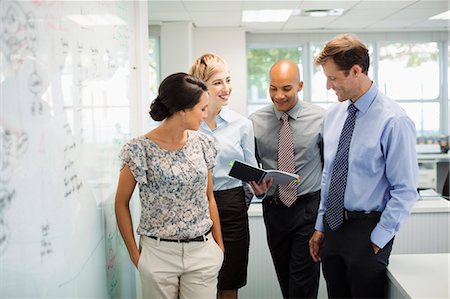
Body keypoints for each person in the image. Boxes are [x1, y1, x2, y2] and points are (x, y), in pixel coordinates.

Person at [309, 33, 419, 298]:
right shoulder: (334, 115)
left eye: (333, 78)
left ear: (356, 71)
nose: (328, 86)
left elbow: (404, 190)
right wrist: (320, 226)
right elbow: (329, 175)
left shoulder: (394, 121)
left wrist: (379, 238)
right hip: (333, 230)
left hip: (368, 231)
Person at [114, 72, 224, 299]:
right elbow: (121, 204)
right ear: (183, 109)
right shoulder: (139, 150)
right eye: (202, 109)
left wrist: (218, 247)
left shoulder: (204, 144)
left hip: (202, 252)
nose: (205, 115)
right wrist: (137, 257)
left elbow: (209, 197)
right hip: (158, 254)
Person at [249, 60, 325, 299]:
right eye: (273, 88)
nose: (278, 96)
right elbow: (252, 169)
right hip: (274, 210)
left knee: (303, 284)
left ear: (300, 85)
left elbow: (331, 169)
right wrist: (257, 188)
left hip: (308, 209)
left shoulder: (322, 118)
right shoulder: (254, 122)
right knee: (285, 279)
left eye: (286, 88)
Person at [189, 53, 258, 299]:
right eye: (218, 82)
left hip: (231, 208)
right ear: (201, 86)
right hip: (195, 208)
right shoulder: (189, 126)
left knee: (229, 281)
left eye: (228, 80)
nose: (226, 88)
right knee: (197, 283)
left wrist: (256, 188)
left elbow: (251, 175)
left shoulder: (242, 125)